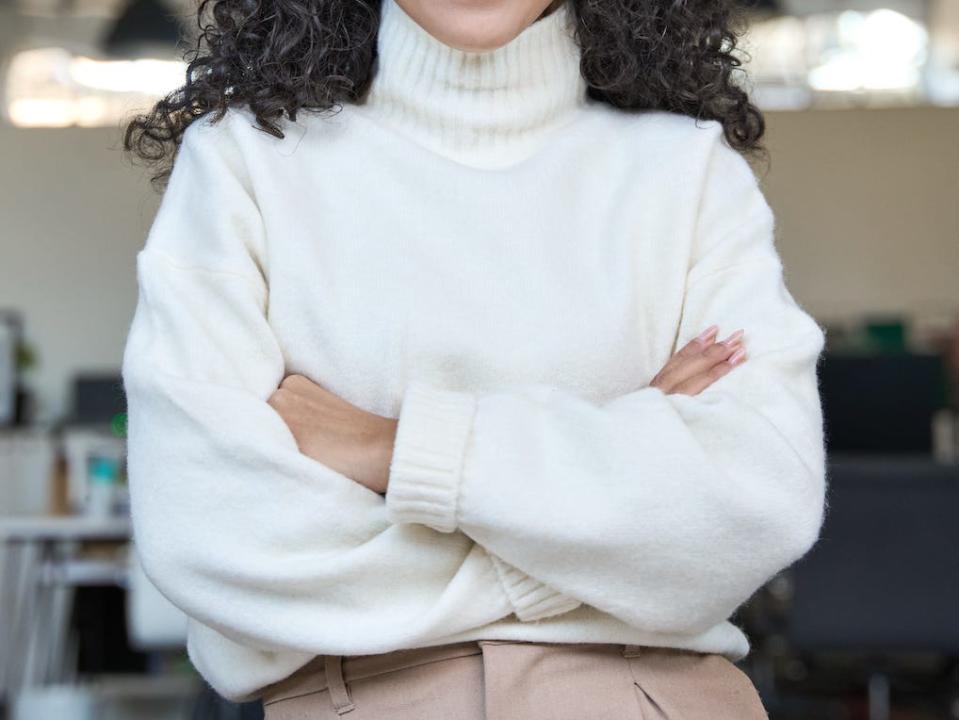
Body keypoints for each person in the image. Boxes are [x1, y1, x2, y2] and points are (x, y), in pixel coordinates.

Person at [120, 0, 827, 717]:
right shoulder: (245, 162)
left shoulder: (689, 170)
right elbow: (213, 532)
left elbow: (759, 499)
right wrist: (610, 542)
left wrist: (397, 450)